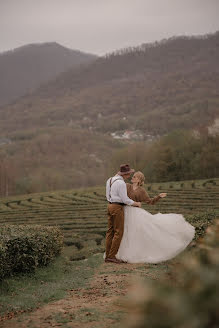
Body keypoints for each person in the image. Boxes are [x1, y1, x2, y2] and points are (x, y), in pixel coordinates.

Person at [116, 171, 195, 263]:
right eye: (133, 176)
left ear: (139, 180)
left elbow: (150, 202)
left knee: (134, 233)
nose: (132, 178)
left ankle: (132, 254)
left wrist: (159, 197)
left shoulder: (142, 191)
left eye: (135, 177)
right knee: (125, 232)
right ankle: (121, 254)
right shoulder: (127, 186)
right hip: (125, 211)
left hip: (134, 213)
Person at [105, 164, 141, 264]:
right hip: (117, 207)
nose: (129, 176)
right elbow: (125, 199)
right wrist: (136, 203)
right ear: (125, 174)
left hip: (110, 205)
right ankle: (112, 256)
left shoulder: (110, 180)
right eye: (129, 174)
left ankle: (107, 256)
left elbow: (107, 195)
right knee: (118, 232)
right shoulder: (121, 183)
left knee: (110, 232)